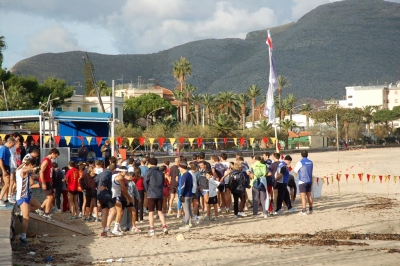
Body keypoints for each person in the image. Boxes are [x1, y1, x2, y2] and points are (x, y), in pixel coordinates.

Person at [15, 158, 43, 246]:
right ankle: (23, 236)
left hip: (27, 196)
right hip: (22, 196)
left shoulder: (20, 168)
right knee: (26, 217)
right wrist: (32, 169)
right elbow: (24, 170)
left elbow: (21, 168)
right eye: (33, 166)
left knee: (39, 206)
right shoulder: (23, 171)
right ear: (30, 165)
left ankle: (21, 212)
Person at [143, 158, 168, 236]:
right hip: (159, 193)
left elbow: (145, 182)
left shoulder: (149, 171)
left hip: (151, 193)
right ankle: (164, 226)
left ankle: (152, 229)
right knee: (160, 211)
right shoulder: (161, 172)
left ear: (150, 163)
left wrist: (147, 190)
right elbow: (163, 181)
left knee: (151, 212)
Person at [111, 166, 134, 236]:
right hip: (116, 196)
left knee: (119, 212)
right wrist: (129, 198)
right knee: (119, 212)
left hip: (115, 195)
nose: (126, 173)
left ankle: (115, 228)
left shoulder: (115, 175)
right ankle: (115, 229)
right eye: (125, 172)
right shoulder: (120, 178)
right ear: (121, 172)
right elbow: (124, 189)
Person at [95, 161, 116, 236]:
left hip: (100, 195)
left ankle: (103, 231)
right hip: (106, 195)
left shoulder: (102, 172)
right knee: (113, 211)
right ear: (114, 170)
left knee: (105, 213)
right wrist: (104, 185)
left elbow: (96, 179)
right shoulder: (108, 173)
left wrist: (97, 186)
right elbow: (104, 179)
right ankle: (107, 228)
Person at [38, 148, 59, 220]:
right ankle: (46, 213)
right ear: (53, 153)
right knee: (50, 197)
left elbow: (49, 173)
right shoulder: (46, 161)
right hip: (45, 181)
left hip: (48, 181)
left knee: (52, 196)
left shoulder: (49, 161)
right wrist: (43, 183)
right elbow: (41, 172)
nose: (56, 157)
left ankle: (41, 209)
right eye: (56, 155)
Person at [294, 150, 314, 215]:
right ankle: (311, 209)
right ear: (307, 154)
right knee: (309, 195)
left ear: (301, 155)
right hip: (309, 180)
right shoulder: (311, 162)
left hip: (302, 181)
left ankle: (304, 210)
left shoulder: (300, 162)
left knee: (303, 196)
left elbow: (295, 170)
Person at [0, 137, 16, 206]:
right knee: (7, 184)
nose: (13, 146)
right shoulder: (3, 148)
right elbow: (0, 160)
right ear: (10, 142)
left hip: (7, 166)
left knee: (6, 184)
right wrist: (3, 170)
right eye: (13, 144)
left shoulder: (7, 149)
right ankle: (0, 199)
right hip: (4, 167)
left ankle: (5, 198)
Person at [178, 161, 193, 230]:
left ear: (182, 167)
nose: (178, 168)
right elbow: (192, 184)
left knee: (186, 210)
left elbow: (183, 186)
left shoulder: (184, 175)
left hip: (185, 194)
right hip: (190, 193)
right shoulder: (189, 174)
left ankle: (186, 224)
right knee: (189, 209)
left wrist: (181, 194)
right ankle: (190, 223)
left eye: (179, 167)